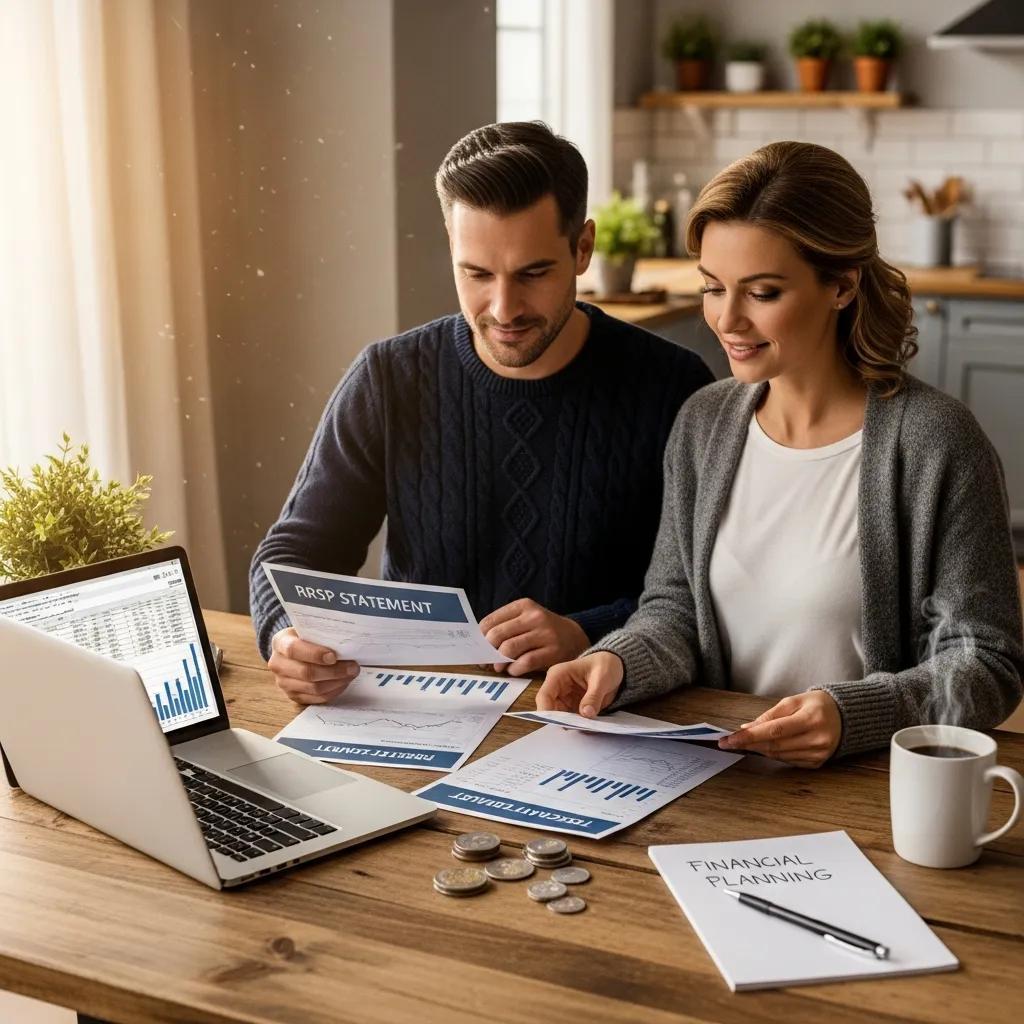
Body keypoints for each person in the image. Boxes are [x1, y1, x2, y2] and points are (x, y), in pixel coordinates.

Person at [538, 141, 1024, 767]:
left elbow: (986, 662)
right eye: (713, 288)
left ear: (842, 285)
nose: (727, 319)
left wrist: (856, 715)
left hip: (871, 795)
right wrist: (617, 659)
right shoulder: (703, 425)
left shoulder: (936, 443)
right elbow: (675, 608)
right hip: (716, 782)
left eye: (762, 292)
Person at [249, 121, 713, 704]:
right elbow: (293, 553)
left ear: (583, 247)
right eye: (476, 274)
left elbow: (698, 593)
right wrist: (283, 637)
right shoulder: (389, 378)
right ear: (450, 243)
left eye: (533, 273)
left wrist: (584, 630)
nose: (503, 308)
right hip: (413, 714)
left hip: (601, 717)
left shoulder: (674, 388)